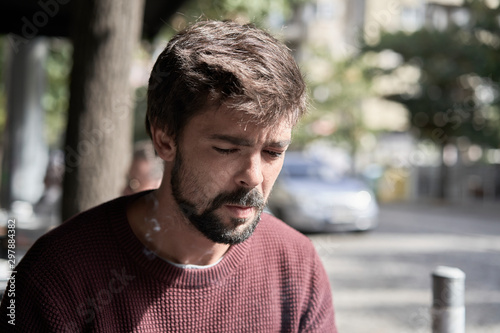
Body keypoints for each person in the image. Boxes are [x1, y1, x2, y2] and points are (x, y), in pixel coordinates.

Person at [0, 20, 337, 332]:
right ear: (164, 139)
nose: (252, 177)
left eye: (273, 153)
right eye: (226, 149)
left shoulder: (297, 266)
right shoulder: (58, 273)